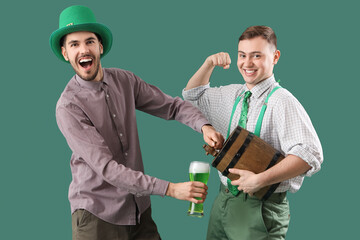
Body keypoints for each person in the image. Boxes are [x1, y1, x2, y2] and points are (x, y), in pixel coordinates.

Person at [50, 5, 224, 240]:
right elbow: (108, 169)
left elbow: (171, 106)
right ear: (65, 53)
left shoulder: (125, 80)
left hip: (138, 210)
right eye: (74, 44)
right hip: (97, 216)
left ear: (100, 46)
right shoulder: (68, 106)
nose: (84, 49)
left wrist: (204, 126)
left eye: (89, 41)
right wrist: (171, 189)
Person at [182, 25, 323, 239]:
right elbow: (192, 96)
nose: (247, 63)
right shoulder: (233, 94)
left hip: (260, 208)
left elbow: (310, 155)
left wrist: (261, 179)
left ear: (275, 57)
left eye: (256, 55)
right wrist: (209, 64)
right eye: (242, 55)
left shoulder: (282, 101)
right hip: (223, 200)